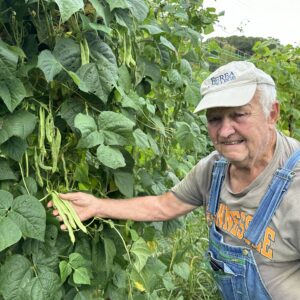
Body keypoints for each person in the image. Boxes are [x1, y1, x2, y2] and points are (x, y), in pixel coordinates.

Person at [49, 61, 300, 300]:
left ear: (272, 113)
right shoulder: (213, 169)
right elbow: (164, 205)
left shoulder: (296, 187)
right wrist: (97, 206)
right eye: (215, 119)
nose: (224, 131)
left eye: (239, 115)